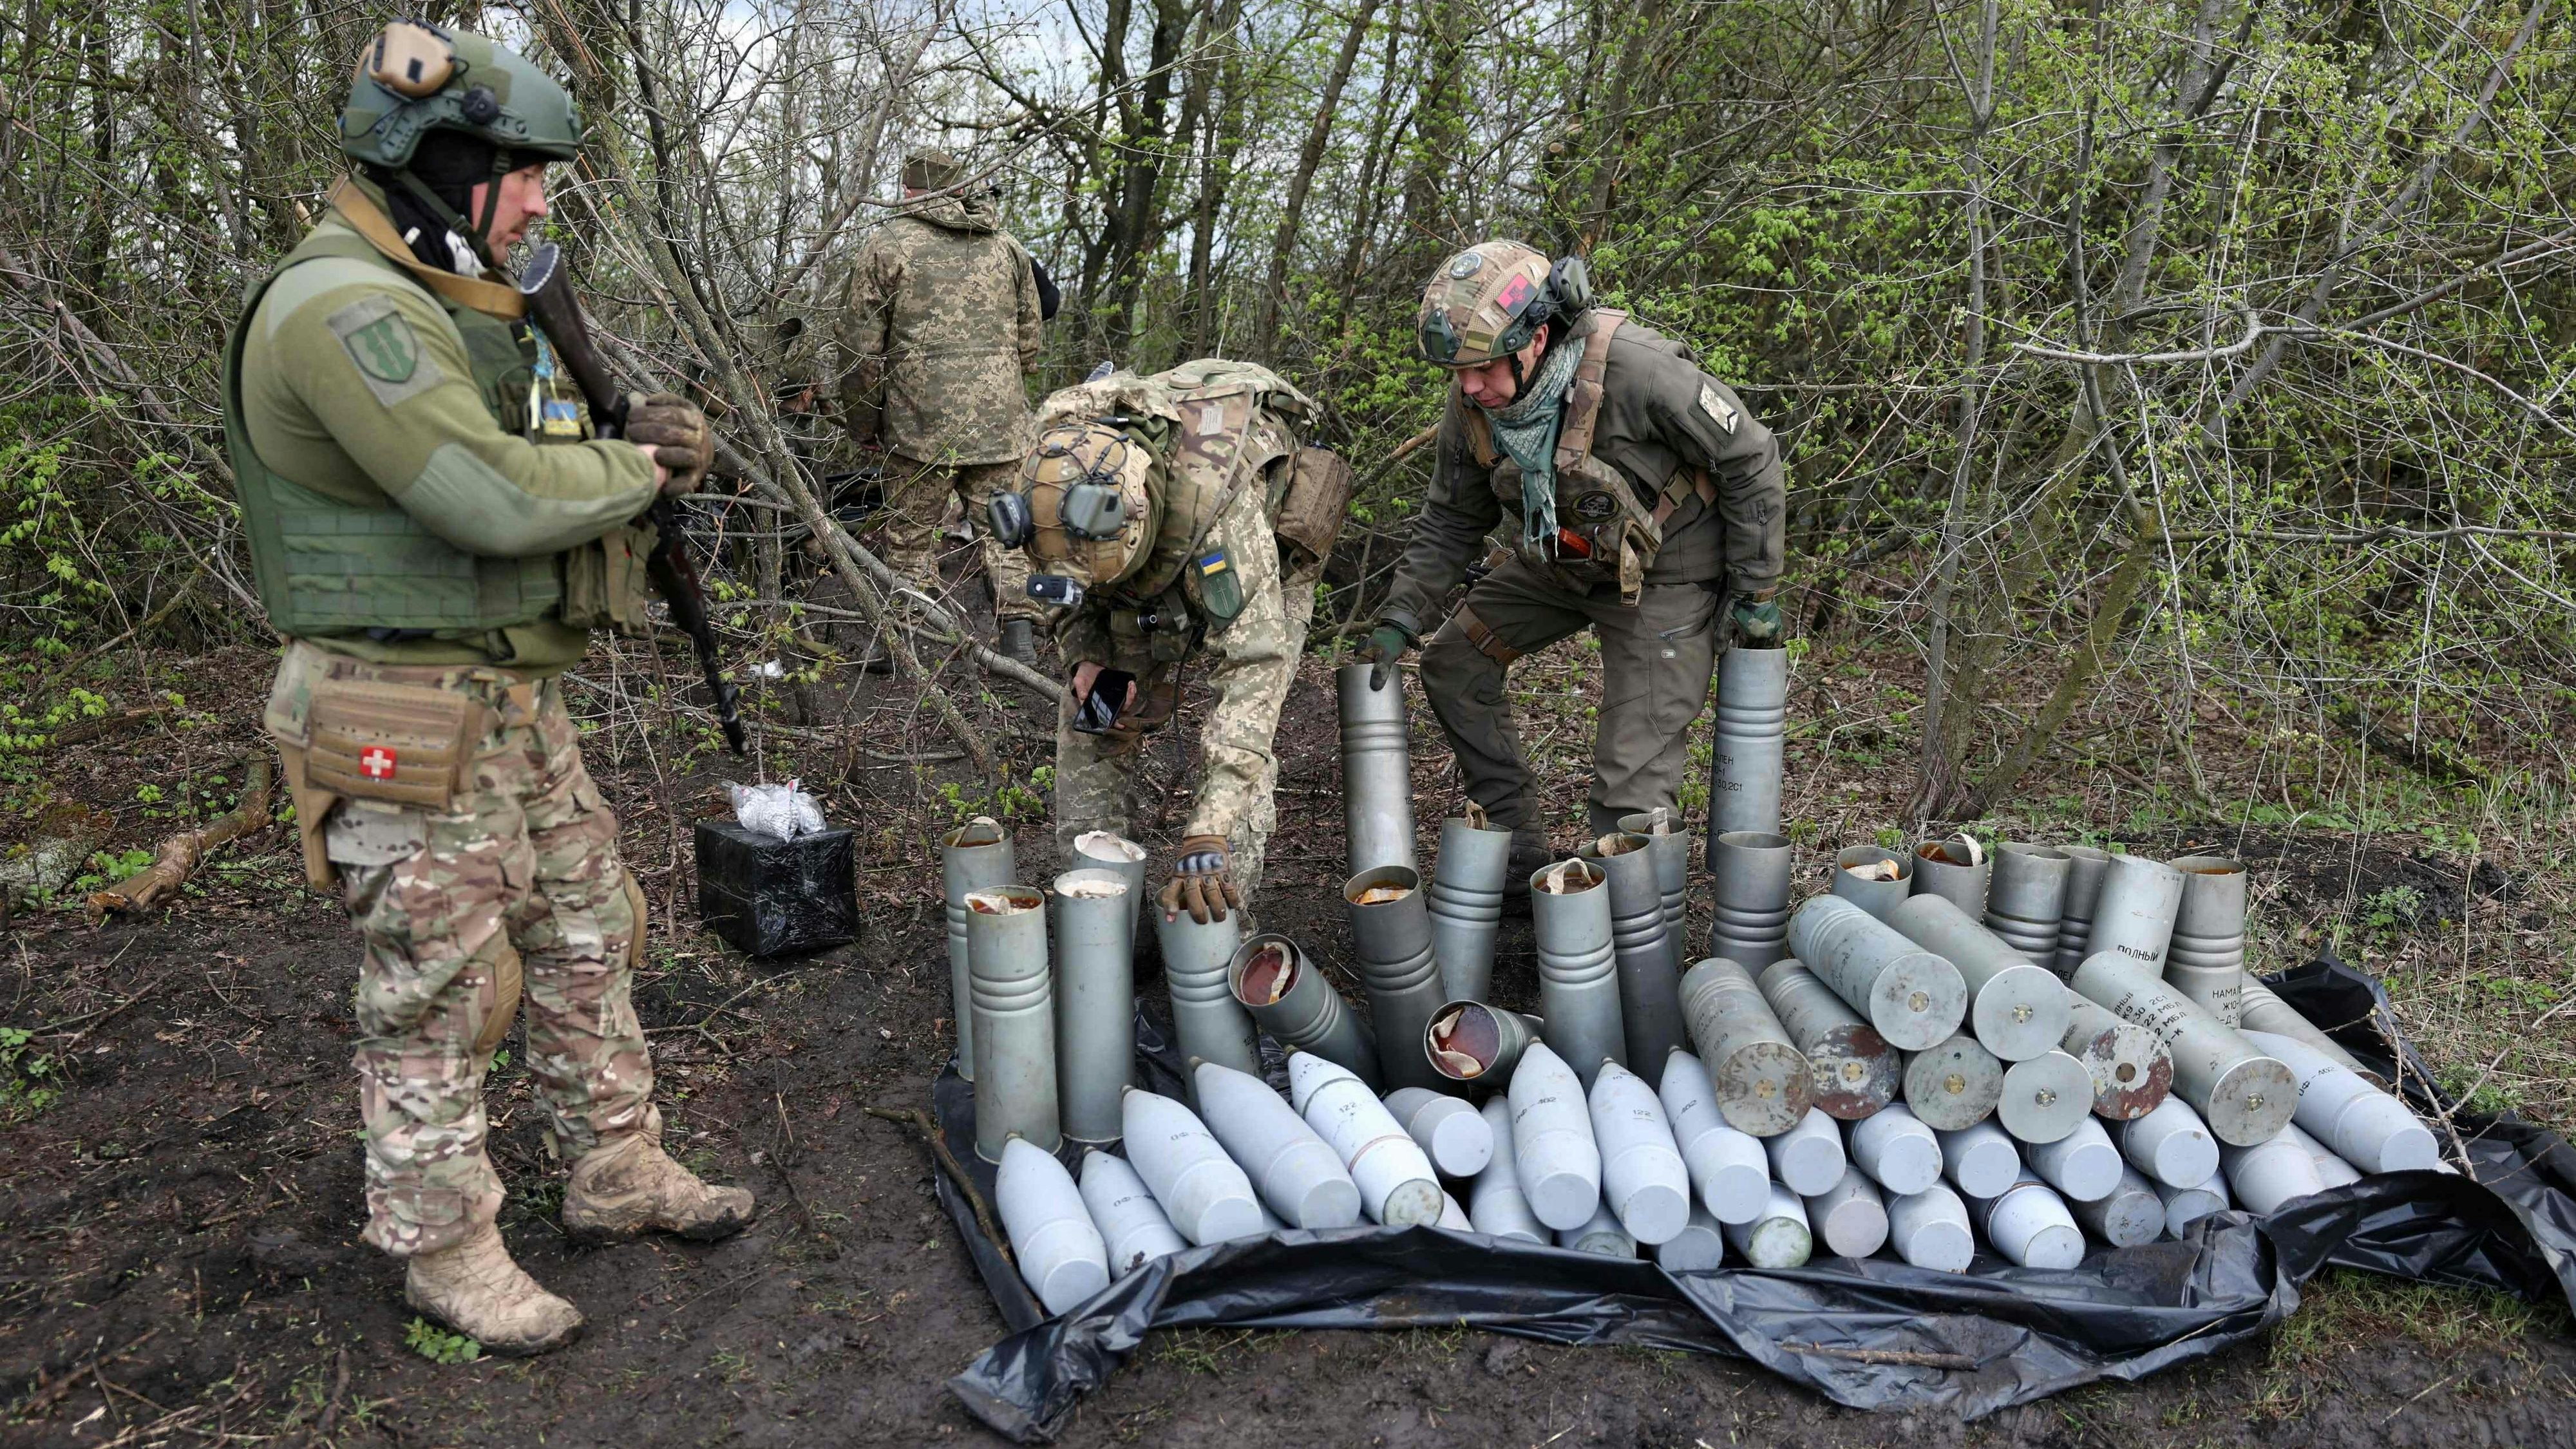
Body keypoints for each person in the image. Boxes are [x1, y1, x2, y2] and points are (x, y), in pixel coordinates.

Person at [229, 21, 751, 1356]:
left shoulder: (449, 294)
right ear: (436, 161)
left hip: (512, 696)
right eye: (520, 174)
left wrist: (636, 436)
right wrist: (639, 476)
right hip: (393, 704)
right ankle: (444, 1247)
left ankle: (614, 1164)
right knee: (442, 986)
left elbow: (537, 445)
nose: (535, 204)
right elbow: (486, 496)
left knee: (590, 930)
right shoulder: (344, 307)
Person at [1359, 241, 1786, 890]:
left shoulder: (1639, 372)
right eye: (1459, 372)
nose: (1469, 386)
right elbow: (1451, 518)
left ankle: (1627, 932)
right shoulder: (1475, 404)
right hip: (1559, 560)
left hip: (1665, 578)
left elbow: (1749, 458)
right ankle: (1515, 852)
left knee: (1630, 789)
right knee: (1454, 663)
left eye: (1482, 368)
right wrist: (1401, 614)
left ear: (1535, 339)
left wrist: (1755, 590)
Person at [994, 360, 1351, 922]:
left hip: (1266, 556)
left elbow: (1253, 672)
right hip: (1138, 580)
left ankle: (1222, 938)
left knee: (1237, 782)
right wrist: (1086, 657)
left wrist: (1210, 829)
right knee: (1095, 719)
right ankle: (1106, 923)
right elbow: (1066, 595)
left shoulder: (1220, 522)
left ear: (1134, 525)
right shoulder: (1046, 490)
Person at [837, 147, 1048, 665]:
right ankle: (1019, 635)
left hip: (919, 427)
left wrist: (863, 422)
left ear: (909, 191)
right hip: (999, 425)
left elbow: (859, 348)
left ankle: (903, 645)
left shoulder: (888, 246)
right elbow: (1031, 341)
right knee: (1006, 531)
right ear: (959, 187)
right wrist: (1003, 390)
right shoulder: (1006, 247)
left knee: (909, 537)